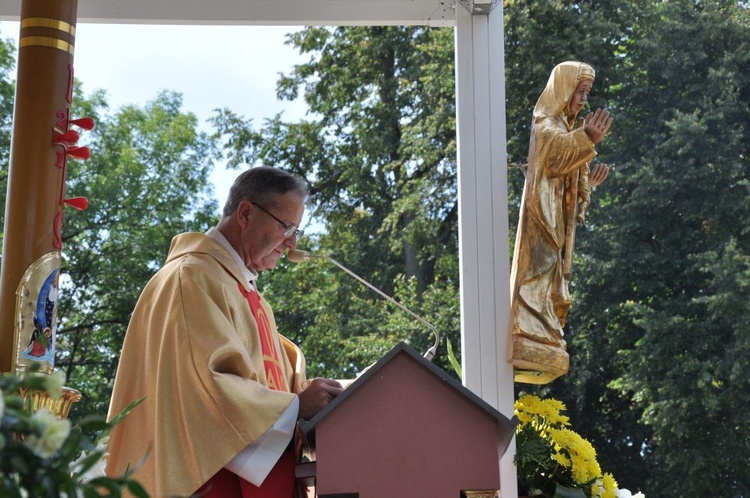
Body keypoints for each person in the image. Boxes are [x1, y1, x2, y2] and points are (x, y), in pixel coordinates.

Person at [106, 166, 344, 497]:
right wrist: (295, 407)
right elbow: (206, 390)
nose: (291, 244)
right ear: (245, 213)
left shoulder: (245, 292)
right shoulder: (192, 278)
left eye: (296, 232)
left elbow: (277, 388)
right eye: (286, 226)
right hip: (206, 483)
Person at [509, 61, 613, 384]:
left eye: (586, 93)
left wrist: (586, 185)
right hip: (541, 219)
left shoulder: (566, 130)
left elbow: (570, 175)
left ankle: (545, 330)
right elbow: (555, 158)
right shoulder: (545, 125)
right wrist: (586, 138)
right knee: (538, 268)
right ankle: (529, 327)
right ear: (563, 89)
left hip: (557, 220)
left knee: (551, 275)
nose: (583, 100)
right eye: (579, 91)